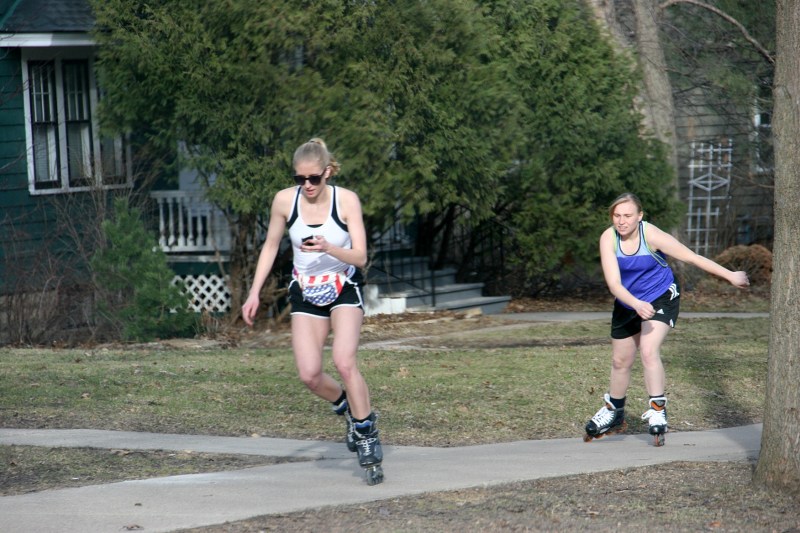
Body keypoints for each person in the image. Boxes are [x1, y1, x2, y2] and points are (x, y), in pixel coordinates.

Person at [241, 138, 383, 483]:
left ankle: (367, 435)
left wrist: (329, 247)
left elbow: (361, 257)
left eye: (314, 179)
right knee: (309, 374)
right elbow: (271, 245)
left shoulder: (346, 200)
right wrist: (254, 292)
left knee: (345, 361)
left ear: (328, 172)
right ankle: (351, 409)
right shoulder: (284, 201)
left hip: (343, 286)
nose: (306, 185)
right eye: (300, 178)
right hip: (305, 291)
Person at [584, 192, 749, 446]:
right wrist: (636, 304)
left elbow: (691, 257)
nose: (621, 221)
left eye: (628, 215)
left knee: (649, 351)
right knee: (620, 360)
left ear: (639, 216)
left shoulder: (651, 235)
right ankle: (614, 412)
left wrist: (730, 275)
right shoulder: (608, 238)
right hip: (630, 301)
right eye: (617, 216)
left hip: (661, 296)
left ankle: (658, 409)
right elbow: (614, 284)